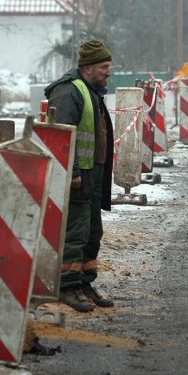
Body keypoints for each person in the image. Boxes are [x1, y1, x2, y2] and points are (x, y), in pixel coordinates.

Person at [43, 40, 115, 312]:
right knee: (74, 232)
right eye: (103, 67)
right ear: (87, 68)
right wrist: (71, 171)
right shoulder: (68, 92)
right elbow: (59, 135)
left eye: (109, 66)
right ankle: (67, 286)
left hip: (91, 177)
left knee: (91, 232)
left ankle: (84, 283)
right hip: (77, 176)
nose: (108, 72)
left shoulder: (90, 92)